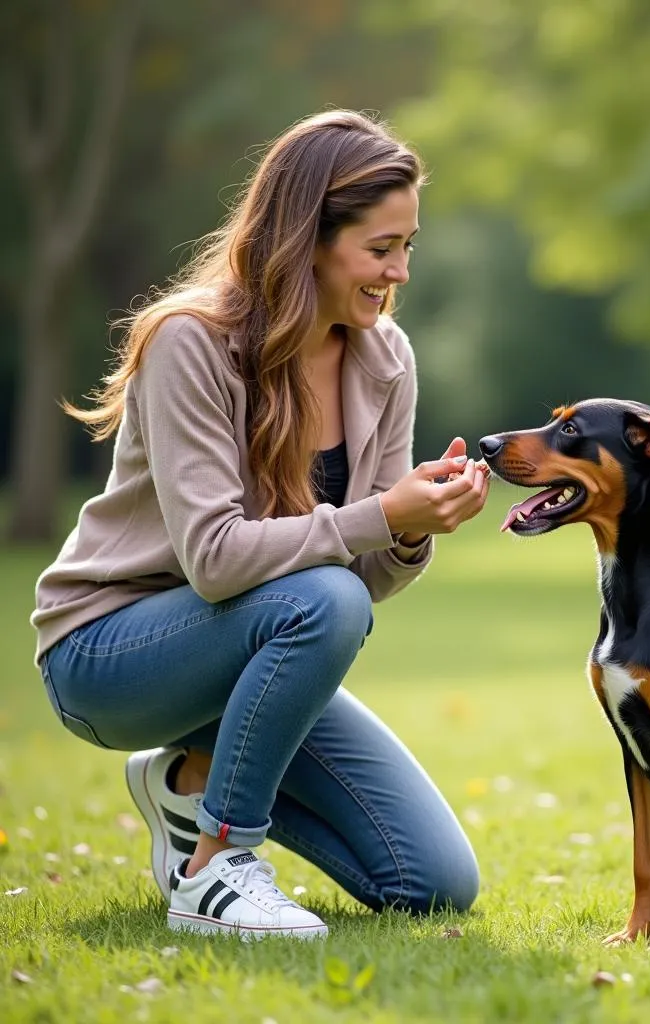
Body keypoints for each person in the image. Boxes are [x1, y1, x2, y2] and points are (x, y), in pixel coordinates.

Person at [31, 109, 490, 940]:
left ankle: (185, 783)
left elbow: (363, 579)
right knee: (323, 600)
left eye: (408, 245)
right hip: (107, 653)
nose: (401, 272)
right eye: (381, 248)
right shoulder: (190, 341)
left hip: (252, 651)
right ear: (309, 236)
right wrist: (380, 513)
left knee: (434, 883)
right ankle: (218, 866)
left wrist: (414, 530)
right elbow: (215, 560)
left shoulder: (384, 358)